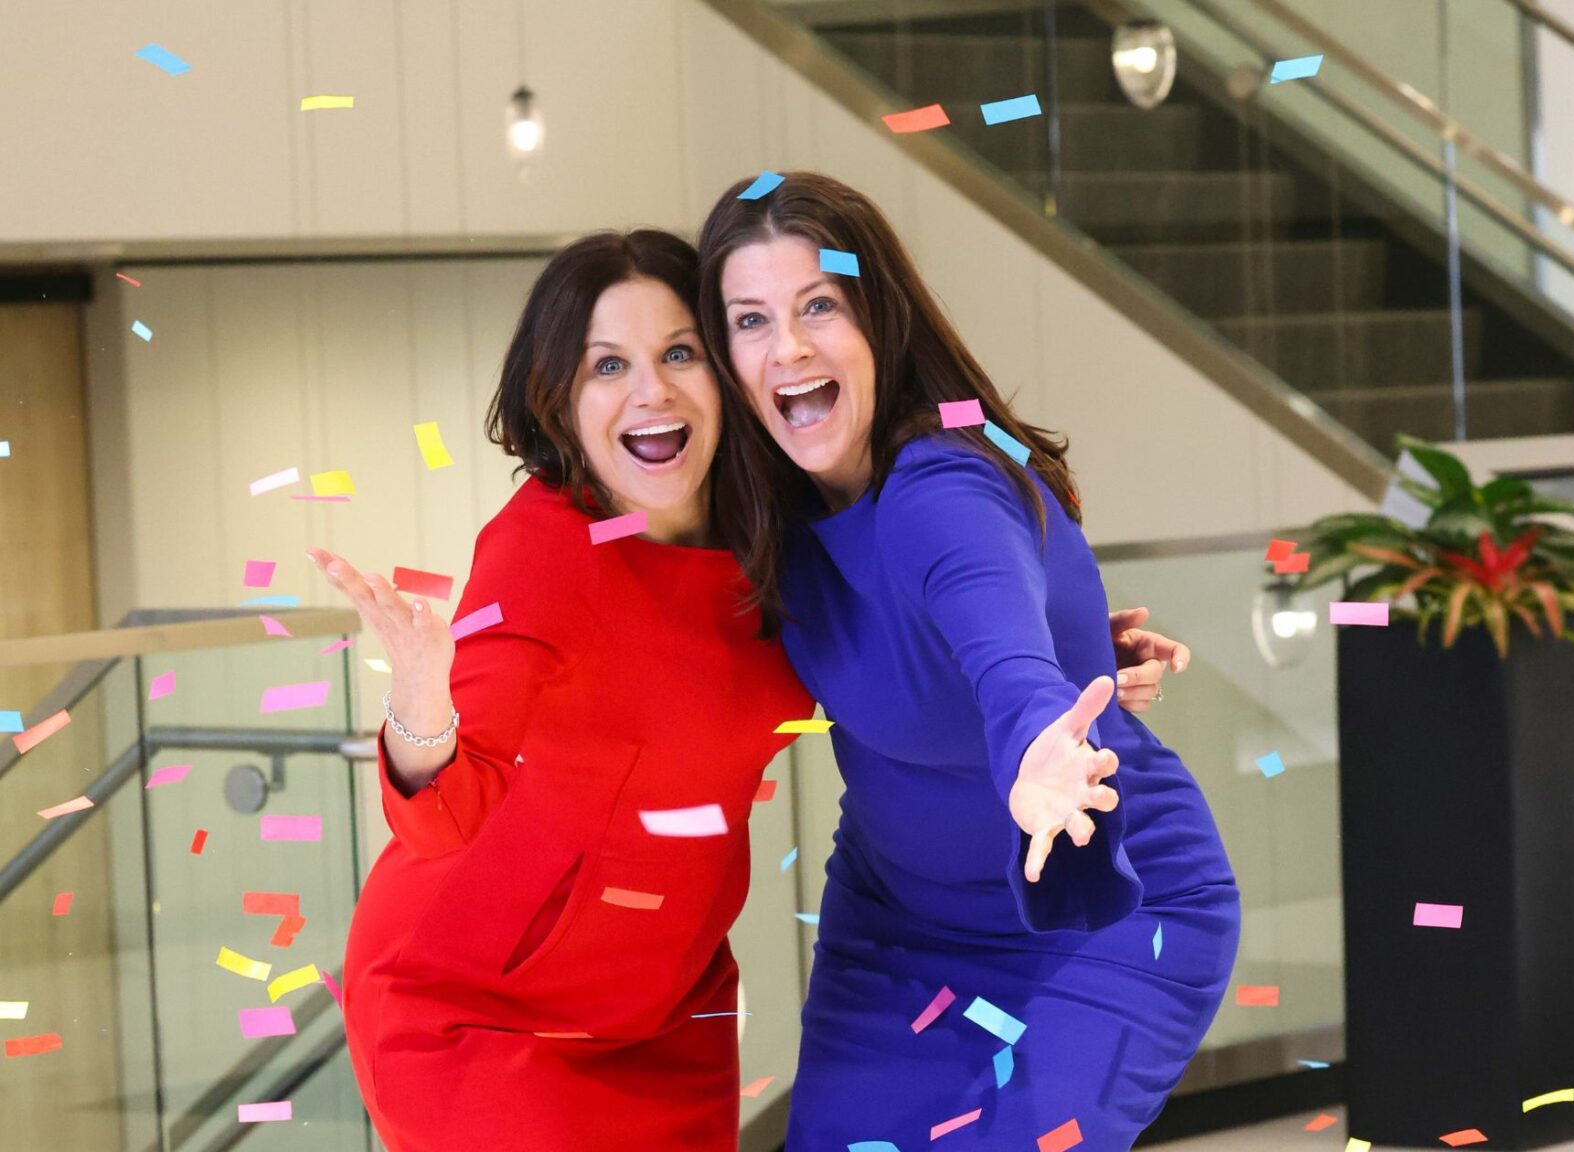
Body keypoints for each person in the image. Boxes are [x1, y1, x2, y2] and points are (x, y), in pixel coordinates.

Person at [316, 230, 1191, 1150]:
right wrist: (419, 704)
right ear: (561, 399)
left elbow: (897, 627)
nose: (650, 392)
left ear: (726, 376)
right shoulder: (544, 549)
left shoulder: (773, 533)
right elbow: (444, 820)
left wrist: (1064, 660)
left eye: (678, 353)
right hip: (486, 1010)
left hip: (668, 1012)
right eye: (607, 364)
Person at [698, 171, 1242, 1150]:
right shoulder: (769, 513)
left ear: (879, 318)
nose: (787, 347)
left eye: (818, 305)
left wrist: (1039, 742)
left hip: (1097, 913)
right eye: (749, 319)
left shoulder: (938, 479)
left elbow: (999, 648)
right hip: (895, 924)